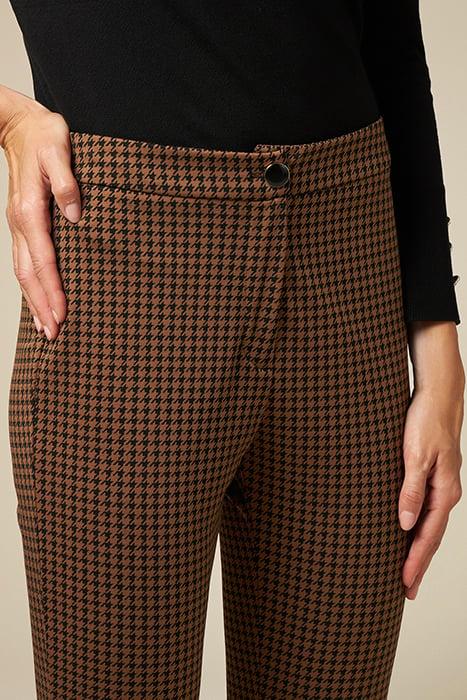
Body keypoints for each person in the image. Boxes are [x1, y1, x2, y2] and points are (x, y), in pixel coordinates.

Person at [1, 1, 464, 698]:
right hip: (125, 272)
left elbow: (391, 40)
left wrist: (437, 348)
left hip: (349, 267)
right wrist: (10, 119)